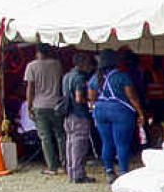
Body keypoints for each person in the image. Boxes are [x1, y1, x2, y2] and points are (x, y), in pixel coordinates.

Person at [87, 49, 145, 183]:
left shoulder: (95, 77)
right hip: (121, 111)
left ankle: (109, 172)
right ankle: (124, 172)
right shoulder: (122, 76)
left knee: (106, 142)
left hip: (101, 111)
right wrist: (141, 112)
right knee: (122, 143)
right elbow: (132, 97)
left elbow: (91, 98)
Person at [24, 45, 66, 175]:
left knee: (45, 137)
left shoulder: (31, 66)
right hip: (56, 104)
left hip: (39, 105)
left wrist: (29, 106)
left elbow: (30, 89)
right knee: (60, 135)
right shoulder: (57, 64)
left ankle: (52, 167)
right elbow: (60, 83)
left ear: (37, 53)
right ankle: (65, 164)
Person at [61, 52, 96, 183]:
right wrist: (89, 100)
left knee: (69, 144)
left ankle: (71, 172)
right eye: (87, 63)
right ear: (81, 63)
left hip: (68, 115)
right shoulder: (79, 78)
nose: (89, 66)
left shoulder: (66, 76)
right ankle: (79, 175)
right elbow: (78, 97)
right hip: (79, 114)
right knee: (79, 145)